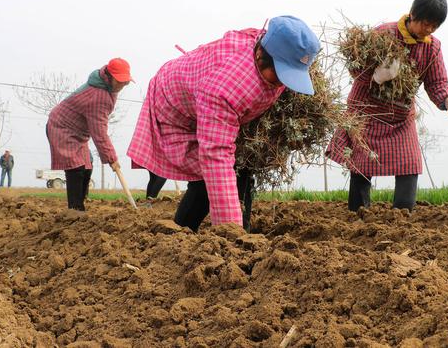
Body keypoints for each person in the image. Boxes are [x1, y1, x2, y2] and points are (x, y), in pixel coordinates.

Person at [127, 16, 320, 231]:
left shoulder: (267, 45)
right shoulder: (227, 88)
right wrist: (232, 233)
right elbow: (215, 155)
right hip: (174, 107)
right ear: (261, 55)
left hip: (202, 91)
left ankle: (239, 234)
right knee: (208, 176)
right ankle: (180, 234)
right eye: (281, 74)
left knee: (244, 167)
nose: (284, 83)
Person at [327, 0, 448, 212]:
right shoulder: (383, 34)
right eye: (426, 24)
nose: (429, 30)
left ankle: (402, 216)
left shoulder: (432, 47)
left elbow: (437, 81)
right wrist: (376, 75)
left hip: (400, 117)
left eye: (434, 27)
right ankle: (358, 215)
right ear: (412, 15)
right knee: (362, 164)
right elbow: (356, 66)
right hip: (367, 111)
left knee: (410, 164)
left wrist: (447, 100)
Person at [47, 58, 132, 211]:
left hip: (77, 130)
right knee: (76, 168)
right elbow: (99, 132)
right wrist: (112, 158)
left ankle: (80, 201)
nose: (123, 85)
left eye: (125, 81)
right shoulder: (99, 96)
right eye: (120, 81)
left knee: (87, 166)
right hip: (62, 127)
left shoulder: (107, 87)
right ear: (109, 76)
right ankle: (75, 210)